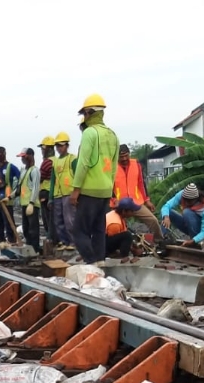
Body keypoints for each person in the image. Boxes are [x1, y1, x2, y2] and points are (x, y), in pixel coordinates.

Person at [70, 93, 119, 266]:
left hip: (89, 189)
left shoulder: (90, 133)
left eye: (85, 113)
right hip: (105, 190)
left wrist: (76, 190)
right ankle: (100, 262)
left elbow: (83, 163)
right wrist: (110, 189)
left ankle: (91, 263)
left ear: (89, 113)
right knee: (98, 230)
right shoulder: (112, 135)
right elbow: (113, 167)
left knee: (79, 231)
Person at [113, 145, 163, 242]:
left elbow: (141, 184)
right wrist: (114, 200)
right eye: (121, 157)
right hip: (119, 204)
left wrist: (147, 200)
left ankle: (159, 241)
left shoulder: (136, 164)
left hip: (136, 202)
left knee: (153, 220)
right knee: (115, 224)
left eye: (126, 156)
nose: (124, 159)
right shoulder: (112, 167)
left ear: (129, 154)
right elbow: (109, 187)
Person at [0, 147, 21, 248]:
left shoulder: (10, 167)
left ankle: (11, 240)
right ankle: (1, 240)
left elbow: (20, 179)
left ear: (3, 154)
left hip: (6, 198)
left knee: (8, 221)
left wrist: (13, 194)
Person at [51, 132, 77, 249]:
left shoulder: (72, 159)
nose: (59, 148)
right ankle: (64, 241)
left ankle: (73, 242)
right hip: (58, 194)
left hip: (69, 193)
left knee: (69, 220)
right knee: (59, 221)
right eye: (57, 146)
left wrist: (77, 192)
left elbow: (78, 175)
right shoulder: (55, 161)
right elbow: (53, 180)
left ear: (67, 146)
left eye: (61, 146)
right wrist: (51, 197)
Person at [16, 148, 42, 254]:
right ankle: (29, 247)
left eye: (24, 156)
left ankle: (35, 249)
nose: (22, 159)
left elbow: (35, 188)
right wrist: (9, 197)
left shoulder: (34, 171)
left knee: (33, 229)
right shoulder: (24, 171)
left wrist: (31, 203)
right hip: (24, 204)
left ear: (30, 156)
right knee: (26, 229)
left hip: (32, 205)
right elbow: (19, 188)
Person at [38, 137, 57, 245]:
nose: (42, 151)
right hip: (54, 193)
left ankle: (51, 239)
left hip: (46, 193)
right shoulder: (56, 160)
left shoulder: (47, 162)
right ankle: (54, 239)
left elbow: (41, 177)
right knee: (53, 219)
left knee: (48, 219)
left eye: (43, 149)